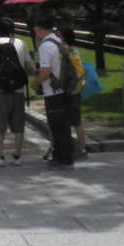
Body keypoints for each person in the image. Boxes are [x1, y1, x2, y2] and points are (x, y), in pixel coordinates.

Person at [0, 17, 32, 166]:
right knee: (18, 124)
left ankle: (0, 156)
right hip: (19, 89)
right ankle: (17, 156)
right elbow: (28, 65)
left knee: (0, 124)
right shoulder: (21, 43)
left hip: (2, 90)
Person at [32, 18, 74, 170]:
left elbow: (46, 72)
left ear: (38, 30)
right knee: (63, 125)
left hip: (53, 91)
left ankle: (63, 158)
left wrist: (36, 82)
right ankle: (65, 155)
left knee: (57, 125)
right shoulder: (58, 41)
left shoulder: (46, 46)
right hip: (65, 89)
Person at [58, 27, 89, 161]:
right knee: (77, 121)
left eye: (59, 34)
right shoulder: (76, 51)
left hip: (66, 89)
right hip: (76, 88)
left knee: (67, 121)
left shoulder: (63, 51)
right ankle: (81, 149)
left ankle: (73, 149)